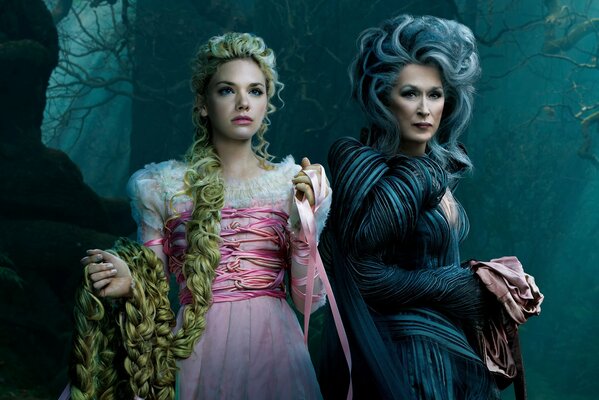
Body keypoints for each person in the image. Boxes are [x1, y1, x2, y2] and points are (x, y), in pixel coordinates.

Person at [63, 32, 331, 400]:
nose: (243, 102)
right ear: (204, 104)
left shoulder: (291, 183)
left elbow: (308, 302)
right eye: (226, 90)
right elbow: (155, 284)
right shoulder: (162, 187)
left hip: (277, 352)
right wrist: (129, 279)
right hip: (196, 347)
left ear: (267, 103)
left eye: (255, 91)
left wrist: (305, 222)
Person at [318, 15, 504, 400]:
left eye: (434, 95)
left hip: (449, 355)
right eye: (410, 93)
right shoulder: (361, 163)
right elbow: (361, 272)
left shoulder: (439, 170)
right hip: (397, 358)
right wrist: (452, 284)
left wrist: (484, 284)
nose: (424, 109)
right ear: (385, 98)